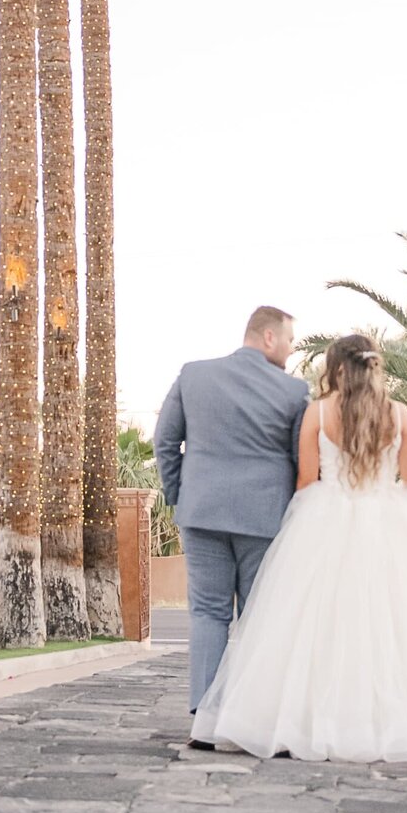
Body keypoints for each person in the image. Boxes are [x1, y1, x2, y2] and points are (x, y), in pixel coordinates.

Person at [190, 332, 407, 764]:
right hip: (391, 522)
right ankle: (382, 722)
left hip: (324, 519)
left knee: (314, 624)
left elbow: (305, 481)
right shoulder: (401, 415)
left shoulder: (318, 412)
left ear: (334, 368)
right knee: (392, 625)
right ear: (376, 368)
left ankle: (304, 719)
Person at [154, 305, 310, 745]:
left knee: (207, 613)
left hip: (201, 514)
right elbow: (302, 461)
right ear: (267, 338)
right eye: (290, 340)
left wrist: (180, 495)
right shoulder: (294, 391)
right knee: (260, 618)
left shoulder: (193, 375)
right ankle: (257, 721)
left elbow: (165, 441)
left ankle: (205, 721)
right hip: (265, 517)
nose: (292, 349)